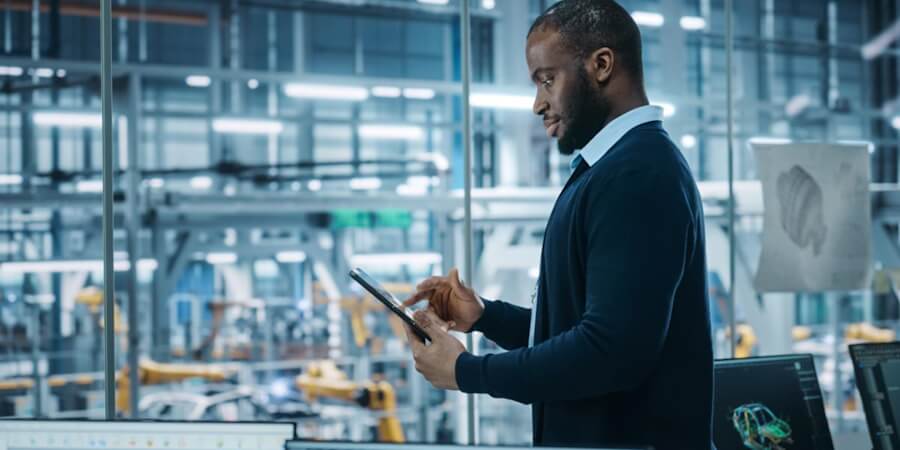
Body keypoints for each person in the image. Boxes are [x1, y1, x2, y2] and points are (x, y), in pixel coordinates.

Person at [402, 1, 714, 449]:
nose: (538, 104)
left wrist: (466, 372)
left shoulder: (637, 174)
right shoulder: (613, 168)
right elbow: (593, 326)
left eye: (547, 79)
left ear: (601, 65)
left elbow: (609, 352)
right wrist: (487, 317)